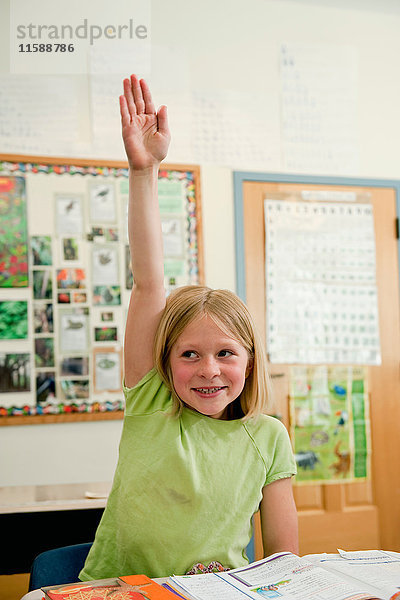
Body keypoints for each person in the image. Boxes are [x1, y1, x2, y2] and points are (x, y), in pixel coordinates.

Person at [79, 74, 298, 581]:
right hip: (120, 591)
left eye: (225, 353)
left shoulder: (268, 438)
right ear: (164, 362)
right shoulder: (152, 405)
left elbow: (284, 563)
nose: (210, 370)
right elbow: (150, 283)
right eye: (189, 354)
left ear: (249, 360)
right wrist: (144, 170)